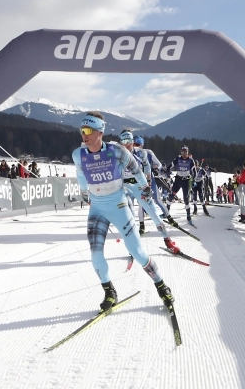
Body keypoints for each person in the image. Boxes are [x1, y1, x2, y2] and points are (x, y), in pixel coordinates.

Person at [72, 111, 174, 312]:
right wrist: (85, 193)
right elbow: (80, 174)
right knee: (95, 253)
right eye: (81, 130)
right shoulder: (78, 154)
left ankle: (161, 286)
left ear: (100, 131)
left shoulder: (117, 151)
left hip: (119, 206)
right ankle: (109, 292)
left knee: (138, 252)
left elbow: (135, 168)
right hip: (98, 209)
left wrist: (144, 187)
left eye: (88, 130)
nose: (84, 134)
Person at [119, 130, 180, 253]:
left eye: (130, 141)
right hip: (125, 187)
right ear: (121, 142)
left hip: (139, 186)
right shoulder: (117, 154)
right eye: (124, 141)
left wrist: (147, 186)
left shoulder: (141, 153)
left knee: (155, 215)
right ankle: (133, 246)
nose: (127, 144)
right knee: (129, 217)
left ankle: (168, 241)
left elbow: (147, 170)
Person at [165, 145, 196, 224]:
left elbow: (194, 171)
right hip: (178, 181)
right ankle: (166, 212)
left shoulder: (191, 160)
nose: (184, 153)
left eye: (186, 152)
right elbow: (169, 167)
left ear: (188, 152)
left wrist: (193, 180)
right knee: (171, 195)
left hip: (186, 182)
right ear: (181, 152)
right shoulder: (178, 159)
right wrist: (168, 174)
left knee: (186, 199)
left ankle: (188, 216)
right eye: (183, 152)